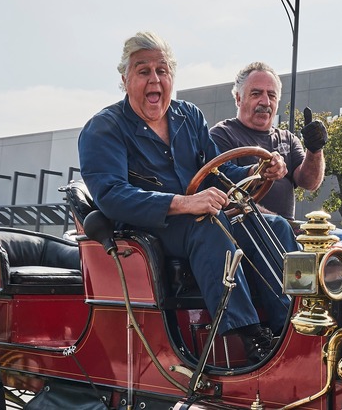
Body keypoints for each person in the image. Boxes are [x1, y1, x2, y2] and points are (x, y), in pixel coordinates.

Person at [78, 32, 293, 363]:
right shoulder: (104, 128)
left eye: (162, 71)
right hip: (148, 229)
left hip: (199, 217)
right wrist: (183, 203)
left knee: (272, 225)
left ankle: (291, 326)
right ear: (125, 79)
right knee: (207, 223)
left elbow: (216, 175)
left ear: (171, 77)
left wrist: (258, 171)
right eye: (143, 71)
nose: (155, 80)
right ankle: (249, 336)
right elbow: (111, 196)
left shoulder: (189, 117)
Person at [210, 61, 342, 241]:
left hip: (291, 228)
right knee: (281, 229)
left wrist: (315, 149)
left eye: (271, 95)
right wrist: (259, 173)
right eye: (256, 94)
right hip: (244, 227)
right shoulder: (222, 135)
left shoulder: (288, 138)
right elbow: (221, 187)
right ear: (238, 98)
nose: (265, 102)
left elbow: (310, 182)